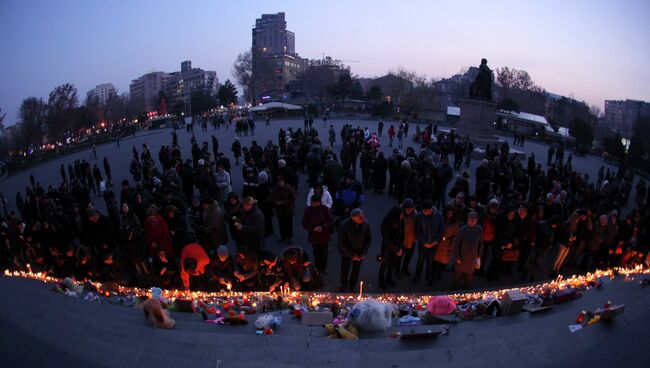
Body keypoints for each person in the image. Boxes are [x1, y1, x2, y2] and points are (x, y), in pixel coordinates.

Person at [412, 199, 445, 286]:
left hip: (434, 244)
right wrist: (423, 242)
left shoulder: (439, 216)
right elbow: (417, 231)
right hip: (423, 244)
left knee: (430, 262)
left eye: (425, 210)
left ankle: (428, 278)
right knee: (420, 260)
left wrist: (436, 241)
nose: (424, 212)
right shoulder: (420, 216)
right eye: (422, 210)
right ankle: (417, 276)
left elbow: (441, 230)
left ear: (431, 209)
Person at [337, 208, 372, 292]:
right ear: (353, 218)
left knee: (356, 270)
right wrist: (352, 255)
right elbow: (342, 242)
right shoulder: (344, 225)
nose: (363, 218)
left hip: (359, 251)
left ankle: (352, 284)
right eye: (360, 217)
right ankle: (344, 284)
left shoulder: (365, 224)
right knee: (345, 269)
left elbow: (368, 239)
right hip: (346, 252)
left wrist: (364, 253)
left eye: (362, 216)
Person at [302, 194, 333, 274]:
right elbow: (304, 222)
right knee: (316, 252)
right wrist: (312, 228)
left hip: (324, 235)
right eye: (313, 202)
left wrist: (322, 227)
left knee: (324, 252)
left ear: (320, 202)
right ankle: (317, 266)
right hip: (314, 235)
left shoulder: (325, 209)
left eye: (317, 202)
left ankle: (324, 266)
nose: (315, 204)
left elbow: (329, 220)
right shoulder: (308, 210)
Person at [452, 212, 483, 289]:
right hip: (462, 257)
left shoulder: (479, 229)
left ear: (477, 220)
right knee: (458, 274)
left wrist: (479, 256)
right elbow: (456, 245)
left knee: (469, 275)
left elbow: (480, 243)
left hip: (472, 257)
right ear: (467, 220)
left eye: (474, 220)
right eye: (470, 220)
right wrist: (457, 257)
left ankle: (467, 289)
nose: (472, 222)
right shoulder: (462, 230)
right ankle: (457, 288)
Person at [378, 206, 403, 290]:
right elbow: (386, 240)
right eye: (401, 214)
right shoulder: (385, 224)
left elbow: (401, 235)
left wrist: (399, 248)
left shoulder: (399, 221)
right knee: (384, 264)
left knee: (392, 264)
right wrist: (396, 249)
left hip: (396, 247)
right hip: (387, 248)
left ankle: (389, 278)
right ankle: (381, 281)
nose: (402, 215)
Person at [433, 206, 460, 280]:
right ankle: (433, 273)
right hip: (439, 242)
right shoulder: (442, 219)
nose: (449, 214)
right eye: (448, 213)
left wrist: (452, 244)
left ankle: (439, 273)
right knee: (435, 259)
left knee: (444, 260)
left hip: (447, 243)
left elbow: (456, 235)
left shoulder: (455, 223)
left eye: (451, 213)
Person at [271, 176, 296, 243]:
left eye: (281, 182)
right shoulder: (275, 189)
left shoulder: (288, 188)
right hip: (279, 210)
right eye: (279, 182)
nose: (280, 183)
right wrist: (276, 202)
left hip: (288, 210)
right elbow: (272, 198)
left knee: (288, 224)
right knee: (281, 224)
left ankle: (289, 237)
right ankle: (283, 236)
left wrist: (284, 202)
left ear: (284, 182)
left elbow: (293, 198)